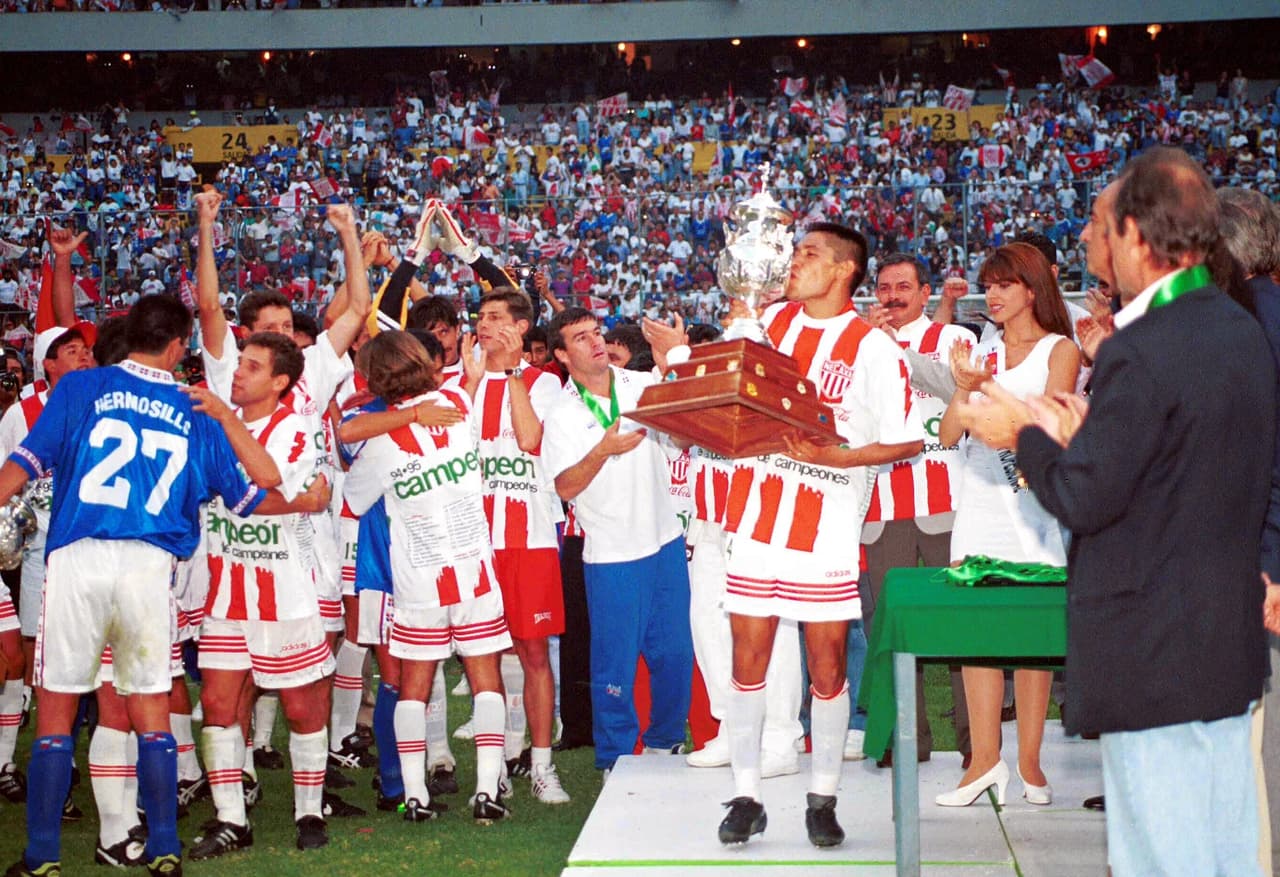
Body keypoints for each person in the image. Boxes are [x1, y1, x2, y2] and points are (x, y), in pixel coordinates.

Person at [958, 146, 1273, 876]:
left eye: (1098, 225)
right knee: (1224, 847)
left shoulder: (1144, 345)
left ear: (1135, 233)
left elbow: (1085, 497)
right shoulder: (1236, 325)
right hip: (1218, 638)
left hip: (1154, 645)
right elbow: (1177, 467)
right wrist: (1086, 438)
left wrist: (1025, 435)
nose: (1087, 240)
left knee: (1163, 855)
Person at [0, 295, 301, 877]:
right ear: (178, 345)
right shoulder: (196, 407)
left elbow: (23, 467)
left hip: (78, 558)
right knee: (151, 709)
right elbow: (260, 486)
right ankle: (164, 847)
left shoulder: (80, 387)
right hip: (149, 566)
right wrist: (228, 420)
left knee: (58, 710)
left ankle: (41, 856)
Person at [716, 222, 923, 848]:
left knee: (827, 667)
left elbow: (908, 440)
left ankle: (823, 798)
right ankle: (747, 795)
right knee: (747, 659)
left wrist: (841, 458)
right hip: (757, 514)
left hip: (826, 523)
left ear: (842, 270)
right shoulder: (769, 323)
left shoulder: (872, 348)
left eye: (807, 253)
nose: (793, 262)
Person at [342, 330, 514, 825]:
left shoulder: (379, 443)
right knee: (486, 680)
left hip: (418, 577)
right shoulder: (456, 403)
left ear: (375, 379)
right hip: (474, 569)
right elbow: (464, 387)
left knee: (413, 684)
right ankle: (487, 790)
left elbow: (354, 499)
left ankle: (414, 794)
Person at [934, 242, 1080, 808]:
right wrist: (964, 386)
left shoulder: (1060, 349)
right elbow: (949, 434)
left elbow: (1048, 430)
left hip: (1034, 505)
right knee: (978, 632)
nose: (992, 294)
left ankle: (1030, 762)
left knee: (1029, 636)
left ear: (1032, 288)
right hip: (979, 502)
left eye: (1004, 284)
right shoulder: (979, 349)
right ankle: (983, 763)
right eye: (989, 284)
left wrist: (987, 391)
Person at [191, 332, 340, 859]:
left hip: (284, 589)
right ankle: (231, 818)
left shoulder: (295, 428)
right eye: (240, 363)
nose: (238, 373)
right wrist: (282, 501)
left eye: (252, 366)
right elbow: (258, 496)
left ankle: (309, 810)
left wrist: (227, 425)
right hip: (226, 587)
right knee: (217, 703)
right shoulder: (211, 424)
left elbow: (269, 477)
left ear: (280, 382)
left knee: (301, 707)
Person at [540, 306, 693, 777]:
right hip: (611, 554)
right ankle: (615, 756)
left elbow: (683, 440)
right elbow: (565, 487)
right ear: (562, 355)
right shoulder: (561, 414)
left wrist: (672, 366)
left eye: (597, 332)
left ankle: (666, 740)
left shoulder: (640, 385)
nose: (596, 342)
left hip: (665, 540)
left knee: (675, 655)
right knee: (615, 666)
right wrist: (602, 450)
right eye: (581, 338)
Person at [861, 252, 976, 766]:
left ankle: (976, 743)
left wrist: (891, 351)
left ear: (926, 293)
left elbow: (957, 389)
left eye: (903, 286)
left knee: (959, 626)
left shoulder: (954, 338)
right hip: (882, 505)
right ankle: (906, 740)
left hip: (944, 500)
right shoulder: (859, 343)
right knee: (891, 628)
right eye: (884, 288)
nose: (892, 297)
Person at [461, 288, 570, 805]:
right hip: (474, 538)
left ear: (522, 328)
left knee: (533, 652)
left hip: (529, 538)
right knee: (484, 652)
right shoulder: (462, 380)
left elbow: (530, 440)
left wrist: (511, 374)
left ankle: (542, 765)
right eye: (481, 316)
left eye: (496, 317)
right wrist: (470, 382)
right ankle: (498, 764)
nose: (485, 325)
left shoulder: (545, 383)